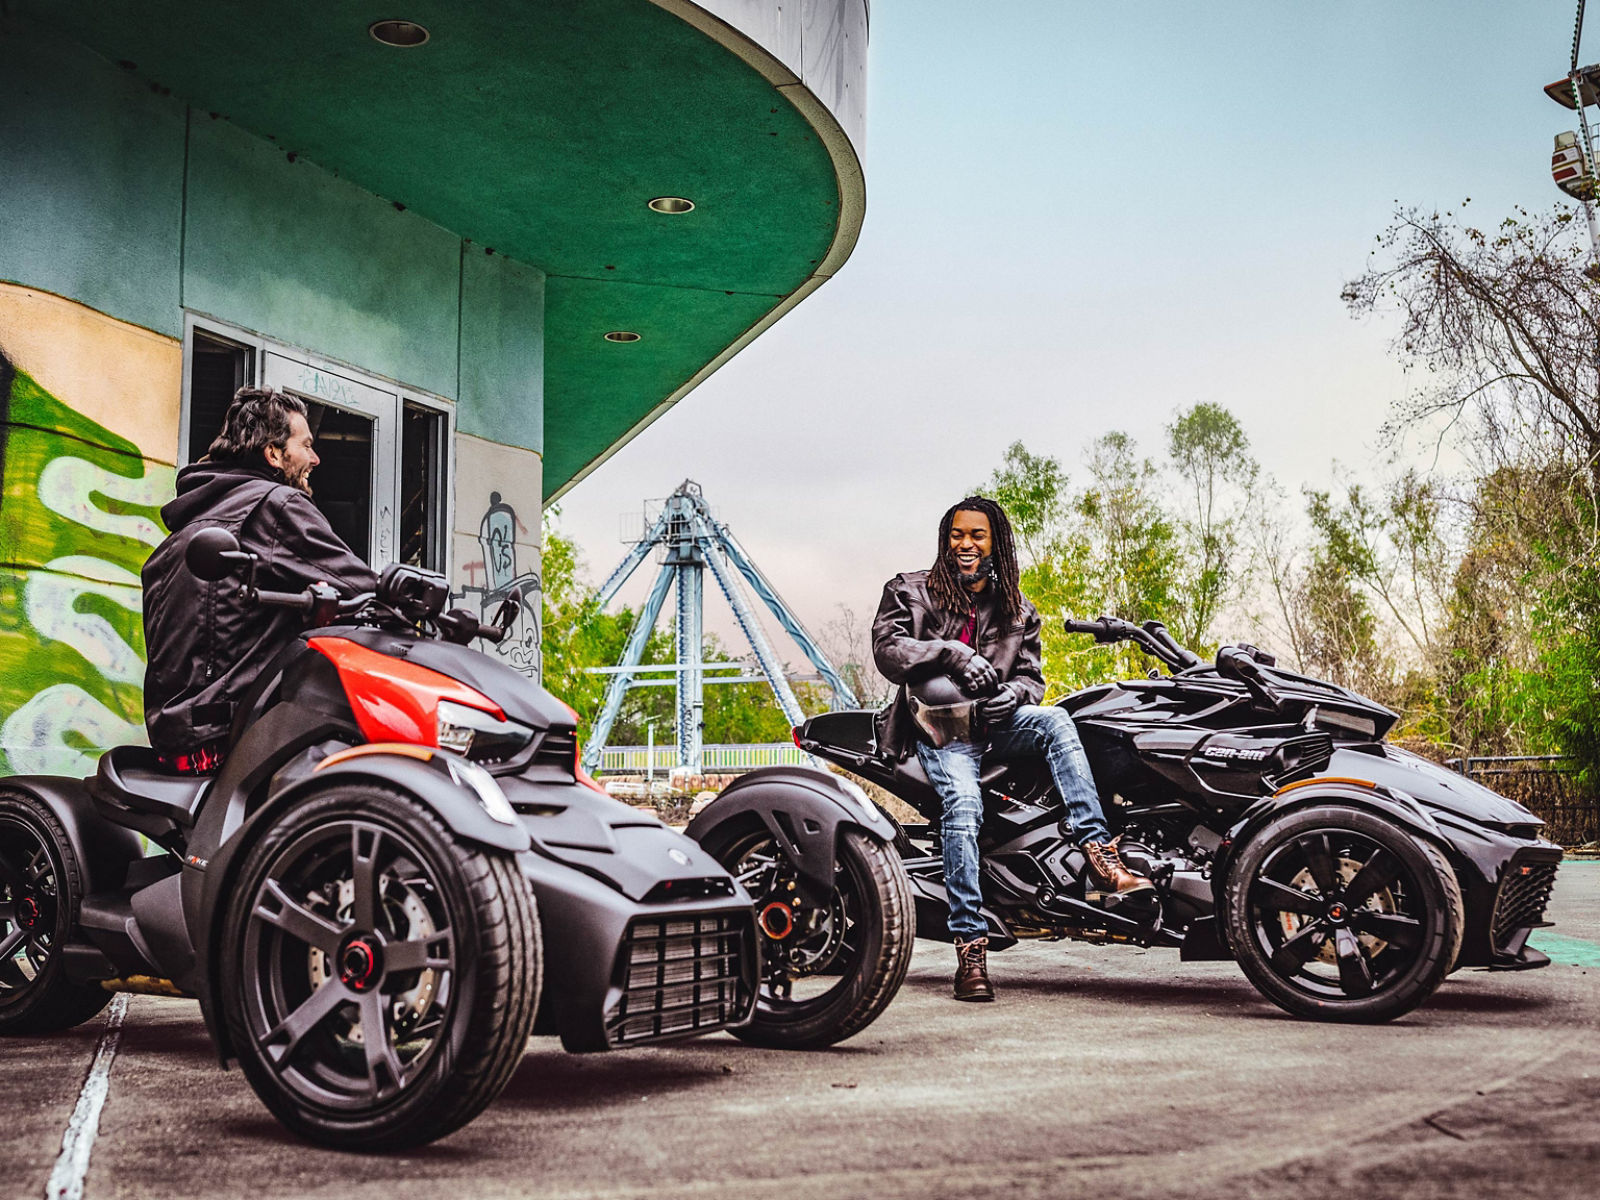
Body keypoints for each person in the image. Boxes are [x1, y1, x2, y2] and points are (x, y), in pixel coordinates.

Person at [871, 496, 1152, 1002]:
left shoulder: (1018, 609)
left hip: (998, 727)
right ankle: (970, 948)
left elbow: (1031, 678)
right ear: (945, 538)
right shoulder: (909, 591)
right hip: (942, 731)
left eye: (977, 535)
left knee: (1057, 722)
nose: (966, 544)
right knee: (963, 807)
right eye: (958, 534)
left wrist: (1013, 697)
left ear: (995, 542)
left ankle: (1099, 854)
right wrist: (951, 653)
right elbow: (889, 652)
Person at [142, 387, 378, 773]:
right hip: (233, 737)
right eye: (306, 445)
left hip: (180, 737)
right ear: (273, 454)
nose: (315, 459)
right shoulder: (276, 505)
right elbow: (362, 587)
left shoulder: (183, 532)